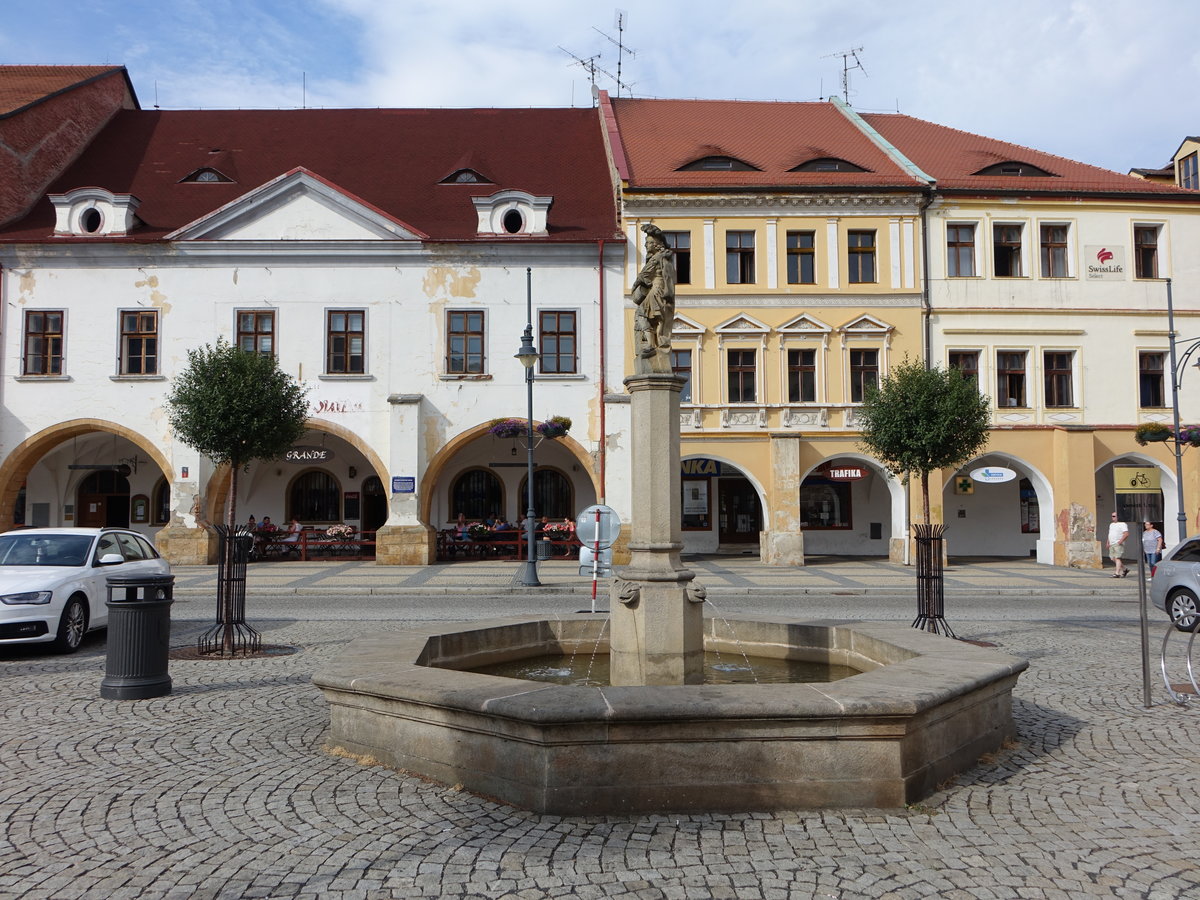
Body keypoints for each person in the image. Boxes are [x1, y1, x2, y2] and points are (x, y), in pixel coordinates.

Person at [630, 223, 676, 371]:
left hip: (655, 290)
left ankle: (650, 345)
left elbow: (643, 275)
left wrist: (635, 285)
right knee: (657, 320)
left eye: (649, 243)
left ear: (656, 245)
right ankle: (657, 345)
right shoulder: (665, 258)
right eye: (646, 242)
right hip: (661, 291)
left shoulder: (656, 258)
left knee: (642, 315)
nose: (646, 245)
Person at [1107, 512, 1130, 577]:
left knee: (1117, 558)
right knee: (1112, 558)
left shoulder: (1122, 524)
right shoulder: (1111, 524)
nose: (1112, 517)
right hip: (1111, 543)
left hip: (1117, 543)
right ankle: (1125, 569)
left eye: (1114, 516)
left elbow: (1126, 533)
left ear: (1118, 517)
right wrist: (1108, 542)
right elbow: (1110, 534)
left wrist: (1120, 541)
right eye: (1112, 516)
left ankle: (1117, 573)